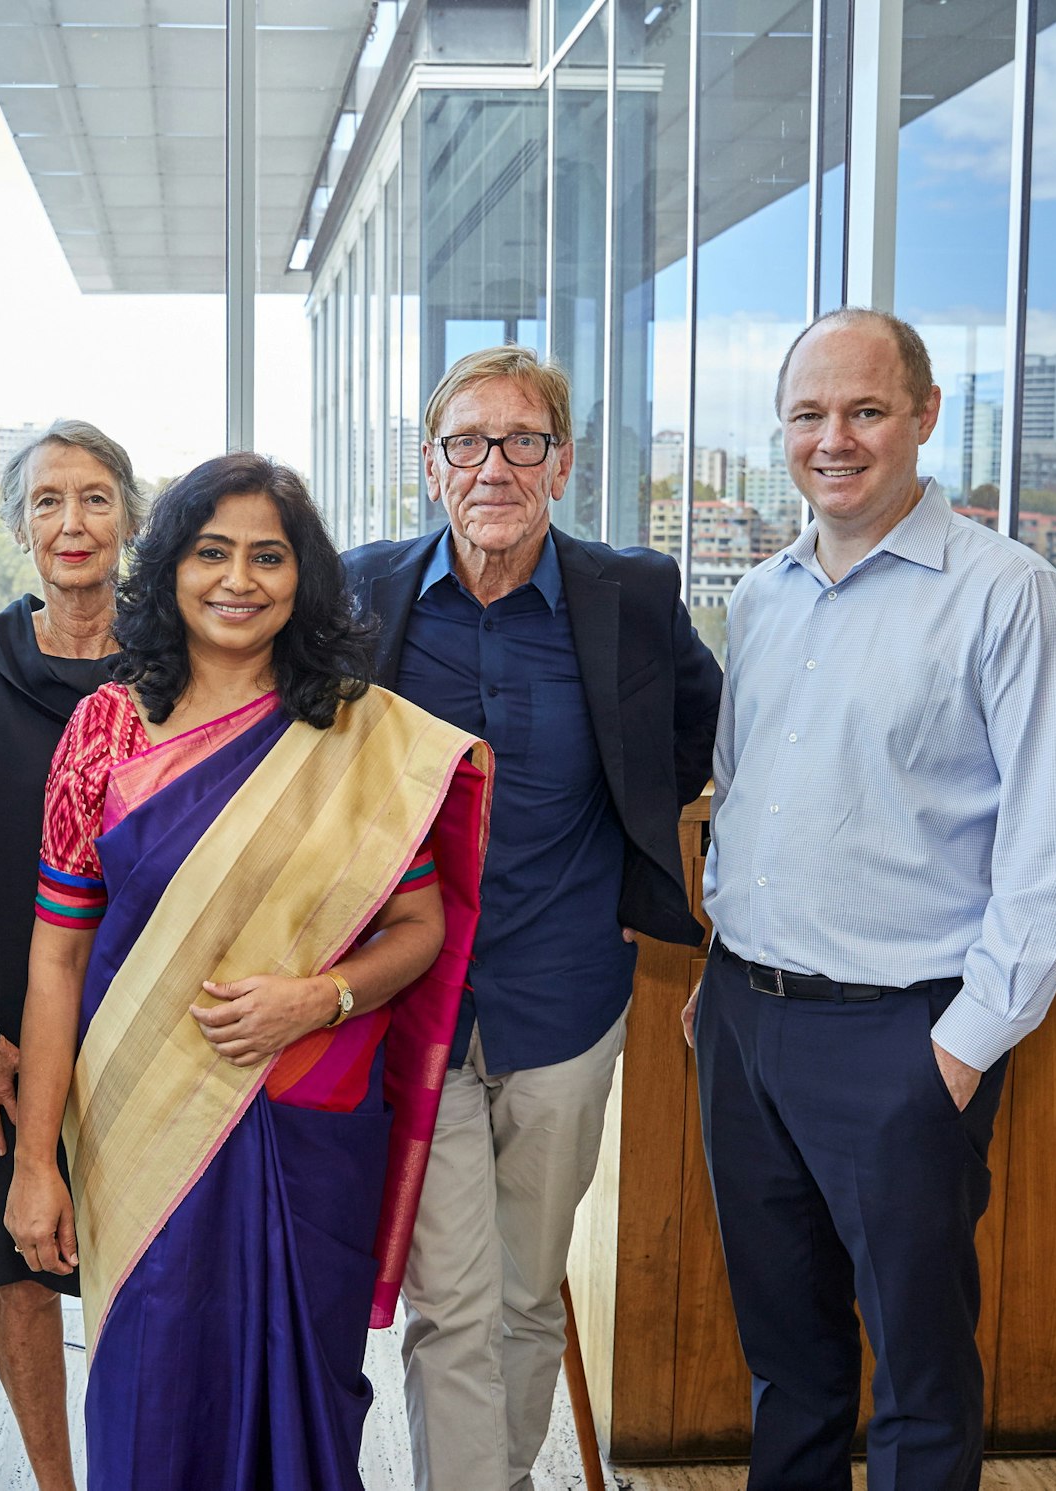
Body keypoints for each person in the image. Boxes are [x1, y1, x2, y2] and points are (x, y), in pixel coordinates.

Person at [6, 453, 495, 1491]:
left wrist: (320, 998)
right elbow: (55, 957)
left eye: (267, 557)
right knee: (150, 1393)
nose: (238, 580)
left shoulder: (357, 732)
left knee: (303, 1397)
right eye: (210, 552)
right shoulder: (104, 731)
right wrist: (34, 1162)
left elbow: (420, 924)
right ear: (171, 569)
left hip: (308, 1116)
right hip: (141, 1121)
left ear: (300, 577)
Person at [688, 306, 1056, 1490]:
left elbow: (1054, 848)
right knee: (785, 1359)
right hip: (743, 1023)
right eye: (808, 415)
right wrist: (724, 975)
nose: (835, 439)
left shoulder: (1007, 596)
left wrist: (961, 1049)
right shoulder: (762, 598)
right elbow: (746, 787)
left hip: (900, 1038)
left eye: (864, 411)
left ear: (922, 417)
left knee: (918, 1378)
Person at [343, 344, 721, 1491]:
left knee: (521, 1293)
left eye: (521, 441)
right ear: (429, 466)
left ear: (561, 465)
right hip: (413, 1005)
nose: (492, 465)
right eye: (466, 441)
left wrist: (626, 877)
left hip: (566, 1002)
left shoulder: (632, 597)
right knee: (447, 1300)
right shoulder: (362, 593)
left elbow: (693, 736)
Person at [0, 419, 148, 1490]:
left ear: (130, 521)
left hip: (155, 1024)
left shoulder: (177, 662)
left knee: (141, 1265)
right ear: (19, 526)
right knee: (19, 1266)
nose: (73, 521)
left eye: (96, 497)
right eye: (49, 500)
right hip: (14, 1033)